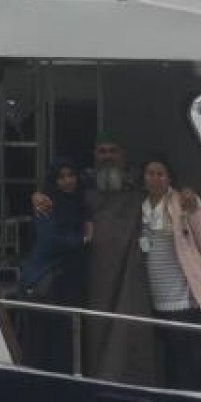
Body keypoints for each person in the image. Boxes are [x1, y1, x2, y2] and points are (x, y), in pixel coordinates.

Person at [80, 138, 161, 386]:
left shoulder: (139, 188)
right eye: (102, 151)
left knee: (130, 328)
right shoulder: (82, 189)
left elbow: (164, 193)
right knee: (94, 326)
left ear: (123, 155)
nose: (107, 156)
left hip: (128, 272)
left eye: (113, 151)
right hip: (96, 273)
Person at [138, 154, 201, 391]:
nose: (155, 178)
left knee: (184, 361)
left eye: (160, 173)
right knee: (165, 359)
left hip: (183, 297)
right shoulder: (140, 206)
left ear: (169, 177)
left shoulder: (185, 203)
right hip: (154, 297)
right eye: (150, 173)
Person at [17, 159, 89, 370]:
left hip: (69, 282)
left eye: (71, 175)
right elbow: (50, 241)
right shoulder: (47, 203)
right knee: (40, 343)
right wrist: (81, 240)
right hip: (48, 282)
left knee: (65, 341)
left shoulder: (79, 203)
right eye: (61, 177)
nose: (67, 181)